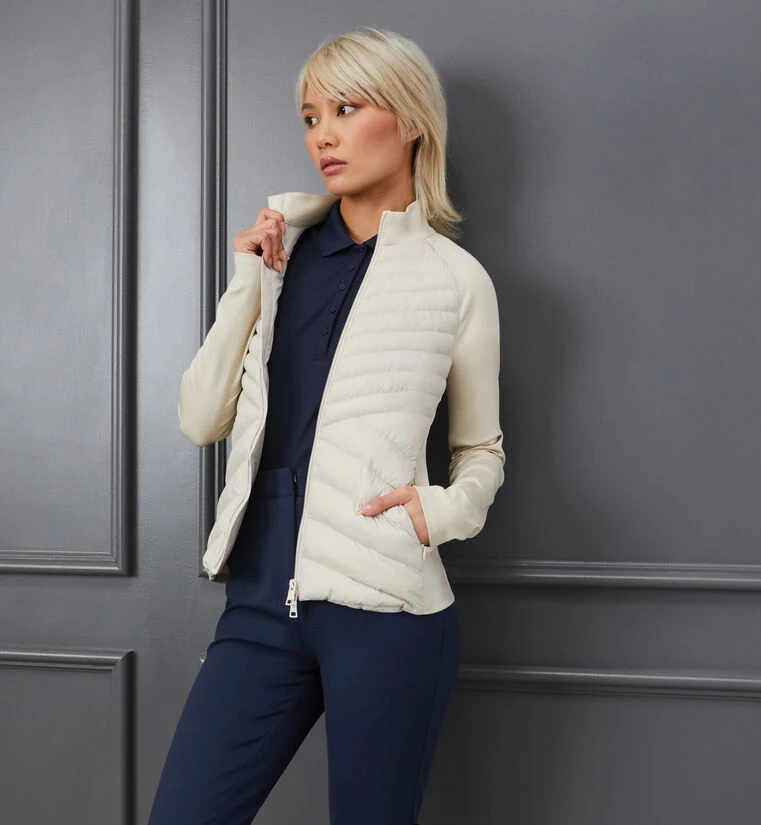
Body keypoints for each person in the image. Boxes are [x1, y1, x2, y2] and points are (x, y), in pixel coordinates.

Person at [147, 26, 505, 825]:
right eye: (311, 117)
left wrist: (439, 510)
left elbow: (480, 449)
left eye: (346, 109)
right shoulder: (279, 259)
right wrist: (245, 280)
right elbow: (200, 417)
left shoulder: (455, 280)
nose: (323, 136)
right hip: (259, 599)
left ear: (409, 120)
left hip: (386, 608)